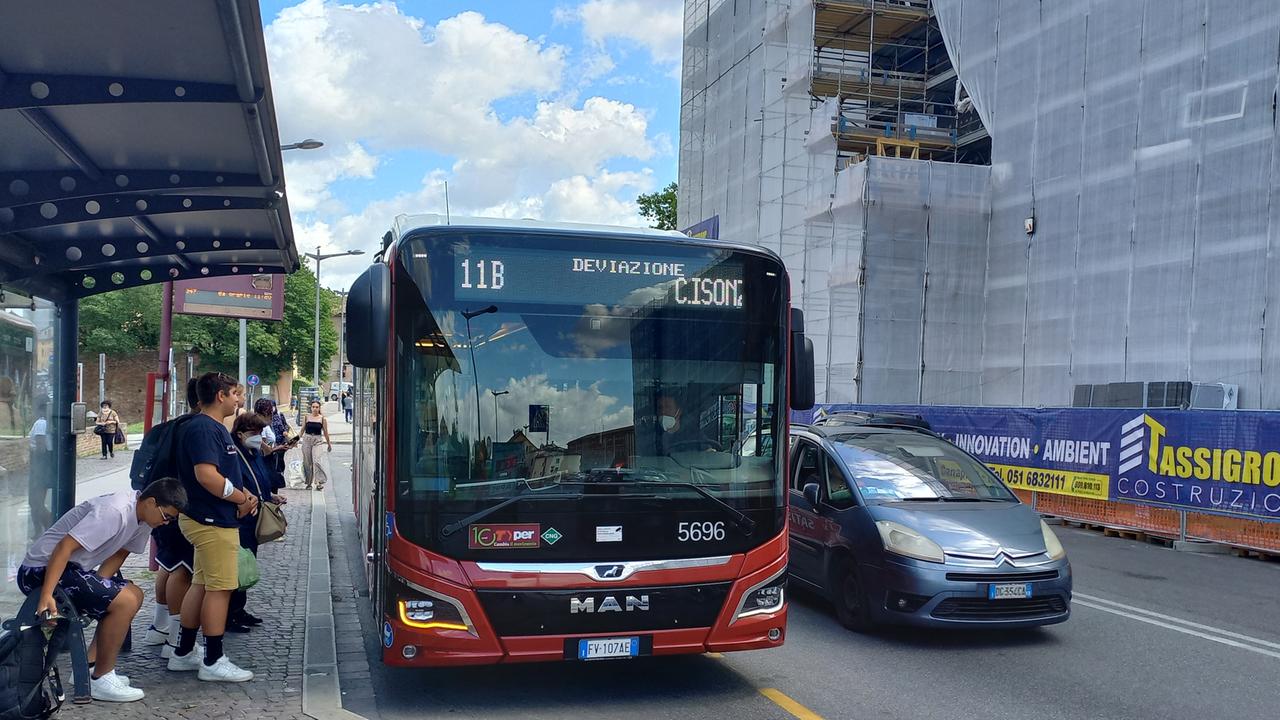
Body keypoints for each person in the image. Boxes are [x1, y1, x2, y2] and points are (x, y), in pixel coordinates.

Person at [17, 479, 187, 702]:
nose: (166, 523)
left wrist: (100, 589)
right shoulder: (115, 511)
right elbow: (64, 547)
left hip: (71, 569)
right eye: (166, 516)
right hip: (39, 570)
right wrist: (47, 595)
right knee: (124, 600)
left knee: (133, 594)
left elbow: (120, 553)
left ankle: (88, 667)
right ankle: (101, 678)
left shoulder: (144, 519)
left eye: (171, 520)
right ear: (151, 502)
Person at [168, 372, 258, 683]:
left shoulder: (204, 427)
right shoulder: (206, 429)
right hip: (212, 519)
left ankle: (184, 652)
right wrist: (238, 498)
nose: (239, 400)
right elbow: (207, 475)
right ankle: (213, 659)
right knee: (220, 588)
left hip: (205, 516)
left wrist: (241, 494)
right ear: (220, 396)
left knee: (203, 584)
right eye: (235, 393)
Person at [226, 413, 286, 632]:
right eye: (254, 433)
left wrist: (271, 496)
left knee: (247, 565)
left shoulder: (254, 453)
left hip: (254, 517)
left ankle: (239, 610)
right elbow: (235, 483)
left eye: (261, 433)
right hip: (241, 519)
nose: (258, 437)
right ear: (240, 433)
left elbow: (260, 480)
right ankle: (228, 615)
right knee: (238, 567)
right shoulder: (233, 454)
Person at [27, 398, 53, 538]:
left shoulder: (40, 423)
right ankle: (41, 530)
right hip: (46, 464)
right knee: (36, 501)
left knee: (35, 501)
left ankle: (48, 525)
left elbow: (40, 447)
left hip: (40, 464)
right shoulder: (47, 423)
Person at [300, 400, 332, 491]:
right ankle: (309, 483)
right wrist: (295, 440)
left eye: (317, 407)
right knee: (307, 463)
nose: (315, 409)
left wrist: (329, 444)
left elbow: (326, 432)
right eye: (313, 407)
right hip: (307, 440)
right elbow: (302, 430)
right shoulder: (306, 417)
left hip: (317, 441)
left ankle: (318, 482)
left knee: (317, 461)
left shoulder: (322, 419)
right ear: (311, 408)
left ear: (319, 408)